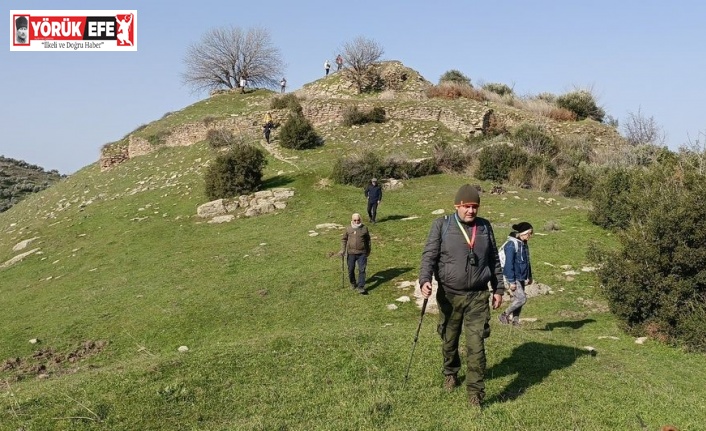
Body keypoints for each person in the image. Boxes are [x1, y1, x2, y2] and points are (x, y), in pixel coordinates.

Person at [418, 184, 504, 408]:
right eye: (467, 206)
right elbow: (429, 256)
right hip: (450, 296)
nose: (471, 211)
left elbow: (494, 259)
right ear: (457, 205)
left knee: (476, 346)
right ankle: (451, 372)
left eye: (475, 207)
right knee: (449, 340)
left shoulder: (485, 227)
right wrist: (425, 279)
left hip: (478, 296)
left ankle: (475, 393)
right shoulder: (442, 225)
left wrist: (499, 288)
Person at [498, 222, 533, 327]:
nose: (530, 236)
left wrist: (529, 275)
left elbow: (527, 261)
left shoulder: (524, 244)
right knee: (522, 298)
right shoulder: (511, 245)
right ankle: (504, 315)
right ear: (523, 233)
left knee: (518, 299)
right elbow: (509, 264)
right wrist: (511, 281)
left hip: (521, 276)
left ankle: (515, 321)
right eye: (529, 233)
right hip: (513, 276)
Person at [341, 213, 371, 295]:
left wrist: (368, 251)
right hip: (351, 253)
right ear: (352, 220)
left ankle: (361, 287)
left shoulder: (364, 228)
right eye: (355, 220)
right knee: (351, 269)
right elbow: (344, 239)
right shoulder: (348, 229)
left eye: (358, 220)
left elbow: (368, 240)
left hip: (362, 253)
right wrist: (343, 250)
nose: (357, 222)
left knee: (362, 269)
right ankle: (353, 283)